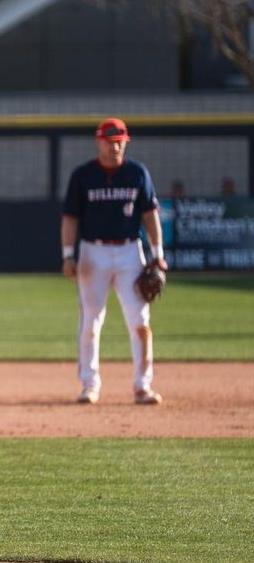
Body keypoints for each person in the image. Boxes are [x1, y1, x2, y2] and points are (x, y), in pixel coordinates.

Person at [61, 118, 168, 405]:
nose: (115, 145)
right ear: (99, 142)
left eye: (120, 140)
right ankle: (89, 384)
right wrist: (68, 255)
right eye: (110, 140)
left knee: (140, 321)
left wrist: (157, 255)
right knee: (91, 322)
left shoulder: (137, 173)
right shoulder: (83, 175)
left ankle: (143, 386)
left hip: (129, 252)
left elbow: (149, 216)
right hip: (92, 253)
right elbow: (70, 218)